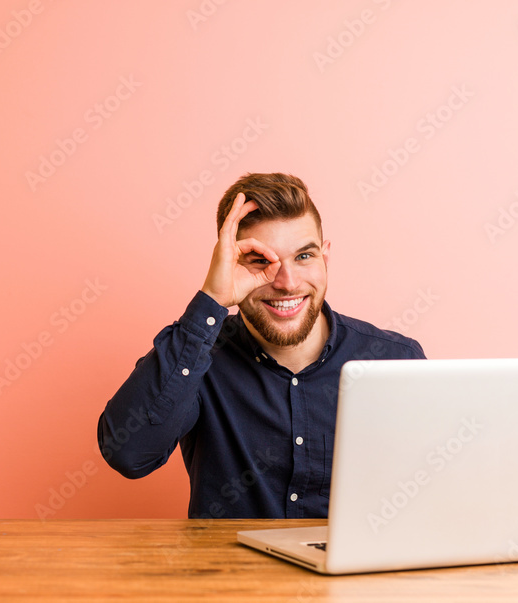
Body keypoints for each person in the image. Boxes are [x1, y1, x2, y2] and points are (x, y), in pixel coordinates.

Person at [97, 172, 425, 519]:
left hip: (355, 573)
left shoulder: (395, 360)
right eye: (260, 261)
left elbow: (433, 492)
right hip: (231, 573)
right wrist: (212, 299)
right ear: (230, 265)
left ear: (325, 257)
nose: (287, 283)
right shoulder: (195, 359)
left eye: (303, 257)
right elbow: (128, 455)